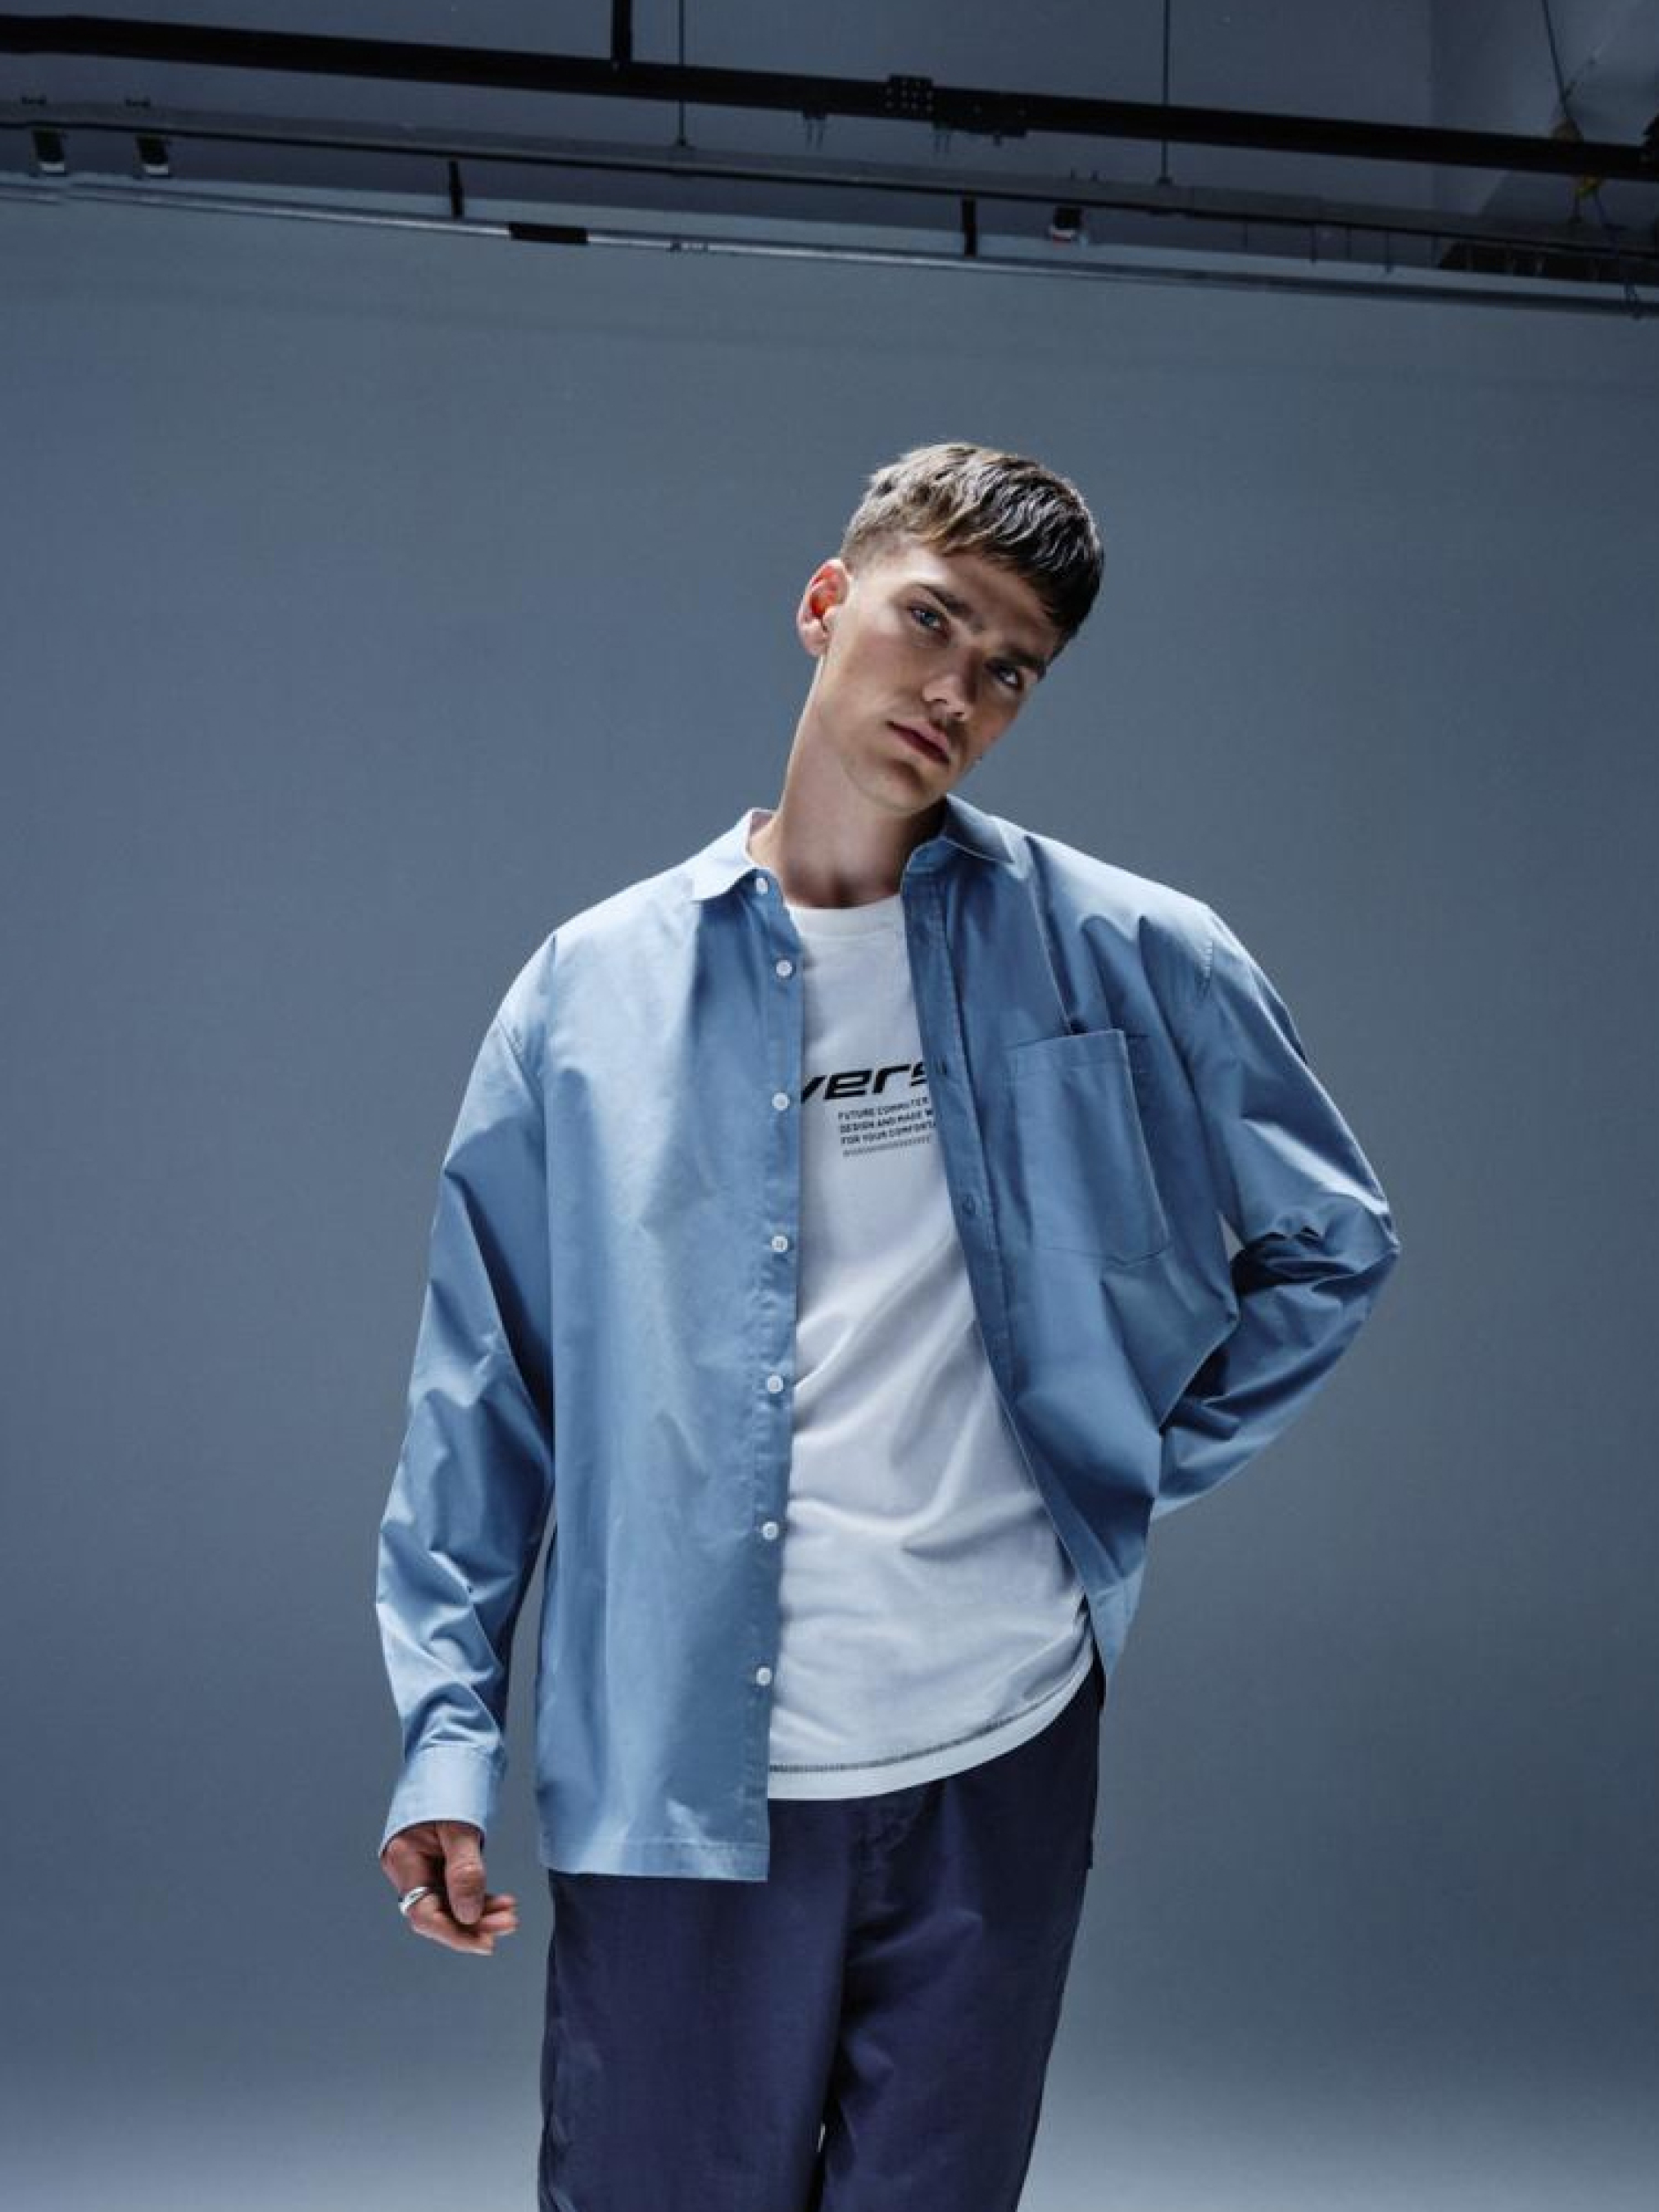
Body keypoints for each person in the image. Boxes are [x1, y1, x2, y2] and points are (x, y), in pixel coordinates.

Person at [374, 440, 1402, 2210]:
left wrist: (1120, 1461)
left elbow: (1332, 1240)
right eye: (931, 621)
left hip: (997, 1755)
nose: (957, 691)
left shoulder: (1129, 949)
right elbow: (485, 1400)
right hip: (679, 1775)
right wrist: (443, 1736)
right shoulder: (589, 991)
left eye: (1009, 671)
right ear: (824, 602)